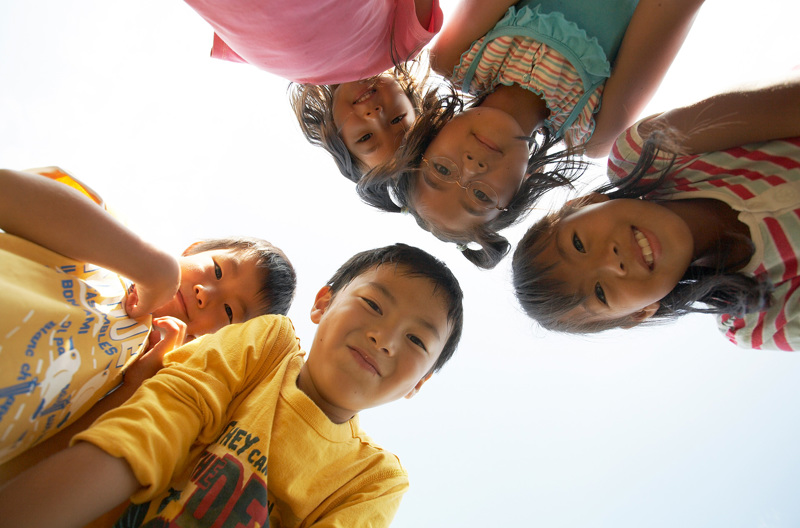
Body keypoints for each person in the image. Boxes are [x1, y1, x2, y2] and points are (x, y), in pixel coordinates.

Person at [0, 243, 464, 527]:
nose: (384, 339)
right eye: (374, 305)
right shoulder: (268, 346)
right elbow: (154, 425)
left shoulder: (375, 480)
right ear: (322, 304)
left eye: (416, 340)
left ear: (418, 383)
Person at [358, 0, 704, 269]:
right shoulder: (594, 131)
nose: (472, 166)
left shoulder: (455, 56)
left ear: (431, 136)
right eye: (480, 195)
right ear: (519, 190)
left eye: (442, 170)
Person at [0, 167, 296, 464]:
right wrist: (153, 268)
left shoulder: (147, 378)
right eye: (217, 270)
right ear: (193, 249)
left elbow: (44, 460)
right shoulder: (110, 243)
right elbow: (9, 192)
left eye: (229, 311)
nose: (205, 294)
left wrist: (132, 387)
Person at [511, 75, 800, 349]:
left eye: (578, 244)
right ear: (641, 312)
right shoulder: (754, 322)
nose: (612, 261)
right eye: (600, 293)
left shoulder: (648, 154)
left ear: (585, 202)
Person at [186, 0, 443, 182]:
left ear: (335, 133)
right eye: (397, 119)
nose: (375, 114)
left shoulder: (282, 66)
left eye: (365, 137)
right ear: (413, 101)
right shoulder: (404, 41)